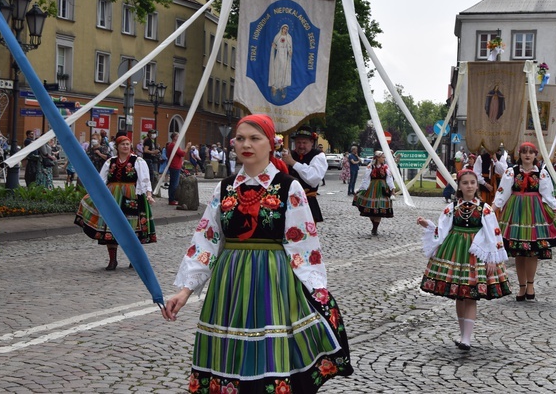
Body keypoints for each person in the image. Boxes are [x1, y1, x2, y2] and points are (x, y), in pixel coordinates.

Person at [160, 114, 353, 392]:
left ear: (270, 144)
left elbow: (303, 244)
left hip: (273, 283)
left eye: (254, 138)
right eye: (240, 138)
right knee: (230, 357)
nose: (246, 144)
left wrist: (316, 289)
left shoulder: (289, 186)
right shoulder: (224, 188)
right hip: (229, 285)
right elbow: (207, 240)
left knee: (269, 353)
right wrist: (185, 290)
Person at [416, 168, 510, 350]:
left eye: (472, 183)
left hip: (476, 254)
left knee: (471, 295)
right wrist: (427, 224)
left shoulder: (485, 209)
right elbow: (441, 231)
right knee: (459, 294)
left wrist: (491, 258)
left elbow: (493, 234)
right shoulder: (451, 208)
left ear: (477, 186)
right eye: (465, 183)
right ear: (459, 186)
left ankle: (467, 337)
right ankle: (463, 334)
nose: (469, 186)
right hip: (455, 252)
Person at [492, 142, 556, 301]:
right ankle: (521, 287)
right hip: (515, 212)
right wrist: (493, 208)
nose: (527, 155)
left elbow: (547, 194)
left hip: (535, 212)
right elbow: (502, 192)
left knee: (532, 251)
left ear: (535, 155)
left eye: (530, 152)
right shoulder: (511, 172)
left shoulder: (542, 173)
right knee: (518, 251)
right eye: (524, 152)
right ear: (519, 154)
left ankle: (530, 284)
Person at [74, 135, 156, 270]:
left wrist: (148, 195)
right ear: (117, 147)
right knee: (111, 228)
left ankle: (134, 259)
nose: (126, 146)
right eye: (123, 144)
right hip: (112, 197)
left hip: (131, 196)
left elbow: (145, 180)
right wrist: (95, 194)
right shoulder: (110, 162)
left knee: (131, 228)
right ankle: (113, 260)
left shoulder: (138, 161)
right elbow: (101, 180)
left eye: (128, 144)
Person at [282, 125, 328, 224]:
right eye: (298, 142)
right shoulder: (289, 154)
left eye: (304, 142)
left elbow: (313, 179)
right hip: (287, 201)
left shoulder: (318, 156)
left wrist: (293, 163)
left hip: (307, 202)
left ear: (312, 142)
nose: (301, 145)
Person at [353, 150, 394, 236]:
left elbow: (389, 179)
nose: (384, 159)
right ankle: (374, 225)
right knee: (371, 210)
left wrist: (392, 189)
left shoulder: (386, 167)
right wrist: (361, 189)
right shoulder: (370, 167)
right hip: (372, 188)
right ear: (378, 158)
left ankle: (375, 228)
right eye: (383, 157)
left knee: (379, 209)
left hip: (383, 188)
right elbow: (366, 179)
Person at [269, 24, 293, 98]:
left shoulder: (288, 37)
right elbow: (275, 46)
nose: (285, 30)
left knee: (283, 69)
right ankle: (275, 86)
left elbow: (289, 46)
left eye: (286, 29)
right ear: (281, 29)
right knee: (277, 69)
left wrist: (289, 51)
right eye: (284, 29)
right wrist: (274, 46)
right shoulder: (277, 36)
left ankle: (281, 85)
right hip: (278, 55)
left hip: (284, 56)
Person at [166, 132, 190, 206]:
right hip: (175, 166)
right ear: (174, 137)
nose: (179, 137)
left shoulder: (171, 145)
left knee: (172, 183)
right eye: (178, 136)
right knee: (174, 184)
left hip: (174, 165)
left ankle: (171, 198)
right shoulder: (174, 145)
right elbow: (182, 153)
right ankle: (171, 199)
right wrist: (187, 147)